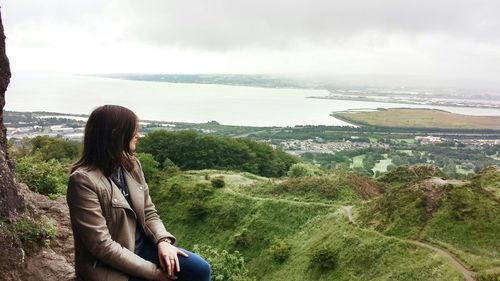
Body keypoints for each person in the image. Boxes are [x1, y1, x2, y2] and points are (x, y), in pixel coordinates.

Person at [67, 105, 211, 281]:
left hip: (143, 247)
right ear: (116, 134)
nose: (138, 134)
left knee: (200, 270)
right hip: (109, 262)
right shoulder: (83, 181)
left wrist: (162, 241)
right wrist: (153, 273)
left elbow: (149, 211)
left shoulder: (131, 166)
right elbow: (101, 245)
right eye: (133, 130)